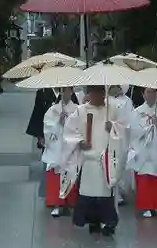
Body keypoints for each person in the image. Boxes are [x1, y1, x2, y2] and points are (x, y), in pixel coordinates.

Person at [60, 85, 128, 237]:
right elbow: (70, 132)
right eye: (94, 92)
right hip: (89, 160)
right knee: (89, 194)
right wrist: (79, 142)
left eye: (100, 92)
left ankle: (109, 222)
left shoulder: (113, 109)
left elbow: (125, 129)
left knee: (106, 193)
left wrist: (114, 128)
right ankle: (93, 221)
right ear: (89, 93)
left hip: (107, 160)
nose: (98, 95)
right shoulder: (81, 111)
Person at [127, 88, 157, 218]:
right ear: (143, 94)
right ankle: (146, 206)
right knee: (144, 178)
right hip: (143, 150)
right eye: (148, 92)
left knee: (156, 178)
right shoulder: (137, 112)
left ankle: (155, 205)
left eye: (154, 92)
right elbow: (133, 131)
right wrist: (146, 129)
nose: (151, 95)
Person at [42, 87, 79, 217]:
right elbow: (47, 129)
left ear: (72, 92)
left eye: (68, 90)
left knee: (70, 174)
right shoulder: (52, 110)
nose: (66, 93)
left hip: (71, 147)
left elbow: (80, 128)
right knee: (56, 176)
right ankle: (57, 204)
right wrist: (58, 123)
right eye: (63, 91)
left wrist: (68, 124)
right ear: (60, 92)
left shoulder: (77, 110)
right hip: (57, 147)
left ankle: (70, 203)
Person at [108, 85, 133, 205]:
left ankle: (118, 193)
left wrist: (113, 125)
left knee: (119, 165)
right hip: (106, 138)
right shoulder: (105, 99)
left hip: (121, 139)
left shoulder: (127, 101)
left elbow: (128, 122)